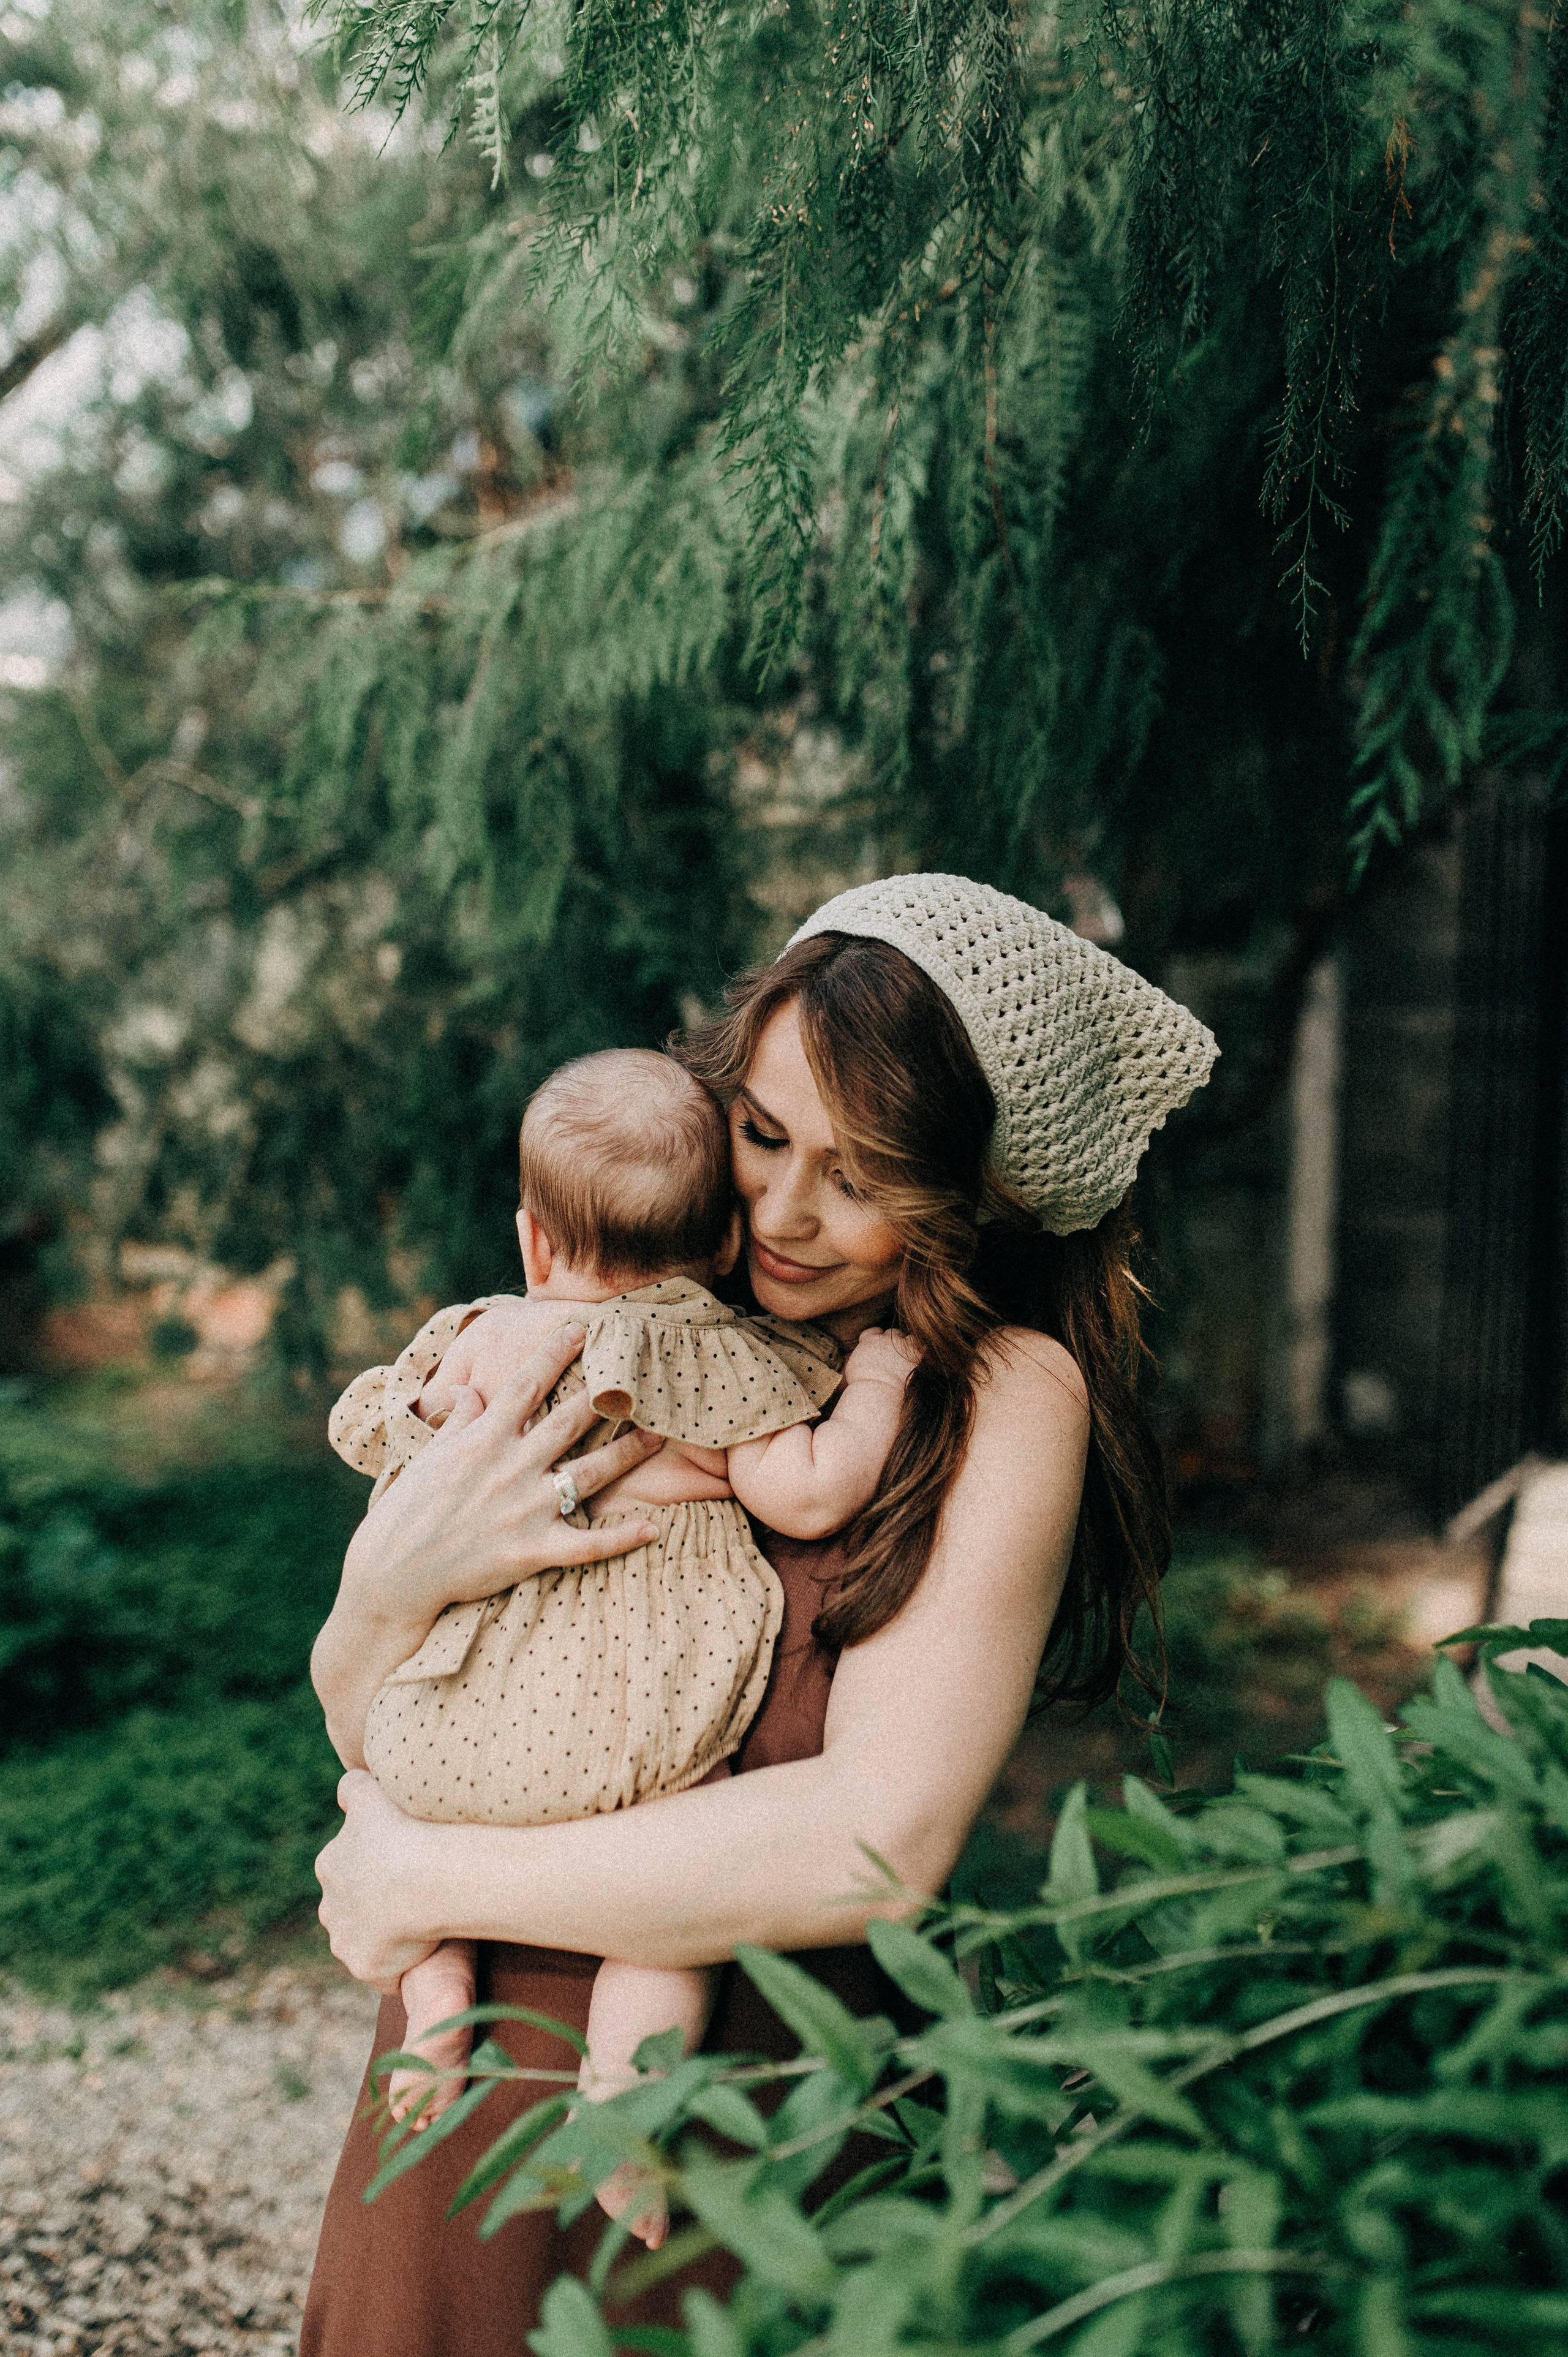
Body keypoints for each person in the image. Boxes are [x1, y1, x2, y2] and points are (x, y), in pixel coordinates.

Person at [303, 873, 1218, 2356]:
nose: (782, 1213)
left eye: (857, 1178)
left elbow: (870, 1847)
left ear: (970, 1187)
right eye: (765, 1133)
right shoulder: (635, 1309)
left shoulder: (990, 1394)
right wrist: (384, 1589)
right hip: (462, 2108)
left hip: (739, 2125)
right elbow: (384, 1714)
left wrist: (427, 1880)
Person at [325, 1047, 913, 2239]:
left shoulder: (470, 1341)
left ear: (534, 1241)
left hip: (453, 1730)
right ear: (713, 1248)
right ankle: (626, 2114)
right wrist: (882, 1384)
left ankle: (433, 2000)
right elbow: (806, 1494)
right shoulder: (704, 1358)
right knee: (663, 1914)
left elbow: (393, 1459)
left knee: (424, 1856)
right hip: (624, 1723)